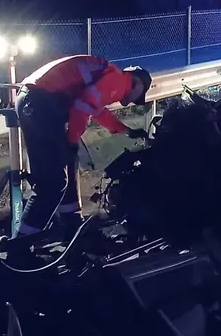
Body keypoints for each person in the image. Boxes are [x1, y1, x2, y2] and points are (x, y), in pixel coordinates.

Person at [15, 55, 152, 237]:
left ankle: (71, 226)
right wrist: (71, 141)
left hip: (34, 100)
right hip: (40, 104)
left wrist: (126, 130)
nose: (135, 100)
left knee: (67, 167)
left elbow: (97, 111)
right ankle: (19, 248)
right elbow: (82, 107)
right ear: (137, 83)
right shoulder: (120, 81)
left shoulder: (108, 74)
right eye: (140, 95)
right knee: (52, 184)